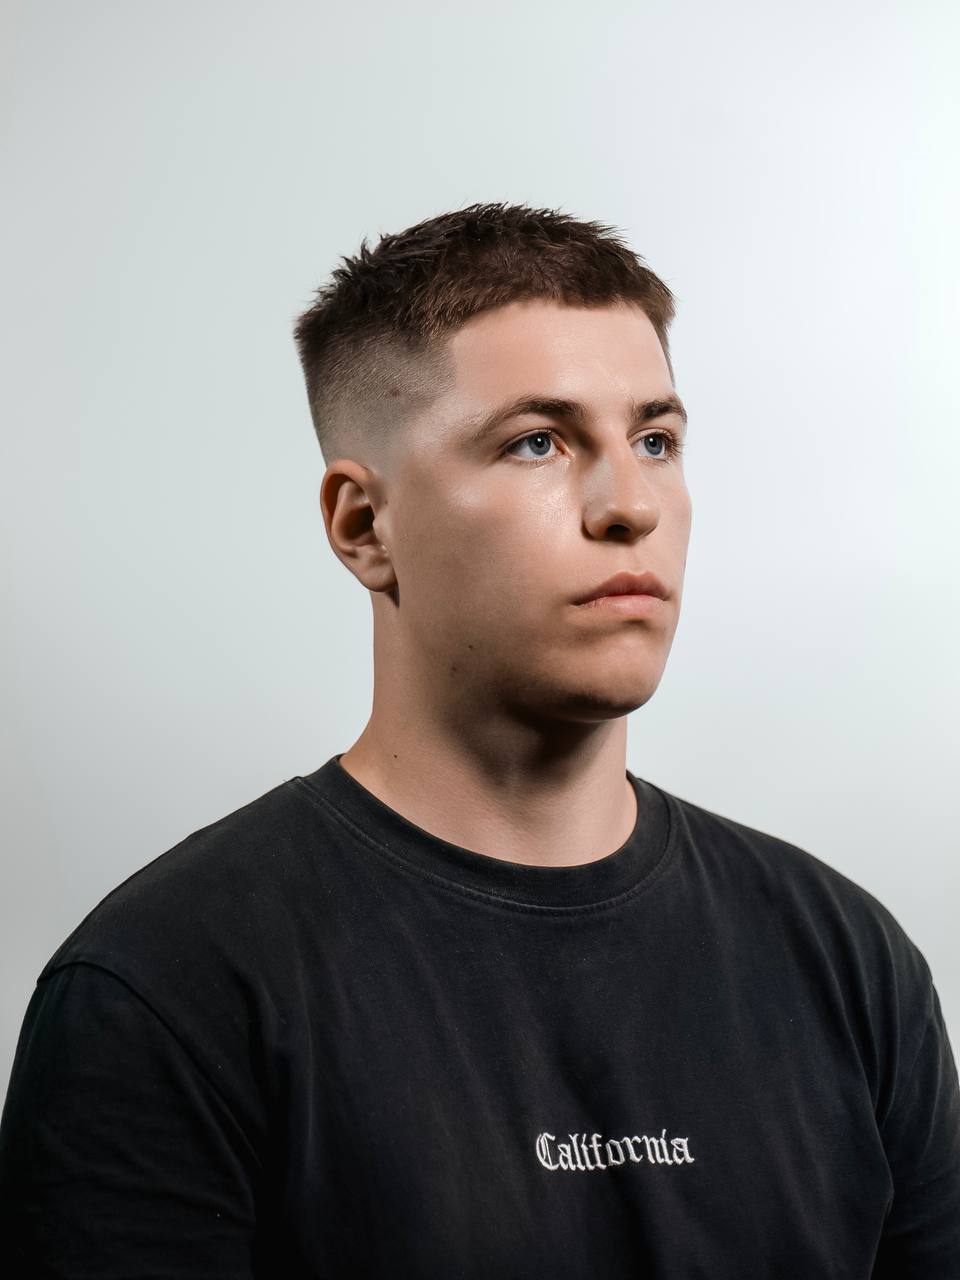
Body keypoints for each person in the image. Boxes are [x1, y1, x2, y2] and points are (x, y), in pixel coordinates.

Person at [1, 201, 957, 1278]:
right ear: (365, 524)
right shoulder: (167, 989)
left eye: (655, 440)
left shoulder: (847, 959)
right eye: (538, 441)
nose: (630, 505)